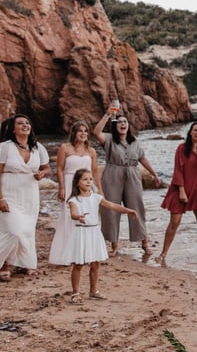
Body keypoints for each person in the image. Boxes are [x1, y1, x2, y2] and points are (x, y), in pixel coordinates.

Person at [0, 114, 51, 281]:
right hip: (8, 193)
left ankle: (24, 263)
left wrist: (42, 173)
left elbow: (47, 168)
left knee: (26, 229)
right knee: (12, 229)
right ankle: (5, 264)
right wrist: (0, 199)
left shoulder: (37, 147)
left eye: (27, 123)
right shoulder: (5, 147)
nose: (25, 125)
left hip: (29, 194)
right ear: (13, 129)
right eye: (20, 123)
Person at [93, 110, 162, 257]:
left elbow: (142, 159)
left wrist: (154, 174)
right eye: (119, 122)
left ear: (128, 125)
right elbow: (96, 132)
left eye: (125, 122)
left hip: (132, 174)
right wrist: (107, 115)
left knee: (137, 207)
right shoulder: (109, 139)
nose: (123, 124)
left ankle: (144, 243)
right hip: (112, 174)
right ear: (115, 126)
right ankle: (114, 246)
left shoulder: (134, 141)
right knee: (111, 209)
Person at [64, 169, 137, 303]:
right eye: (85, 179)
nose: (88, 182)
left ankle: (93, 291)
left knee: (95, 263)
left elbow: (112, 205)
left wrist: (127, 210)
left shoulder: (96, 197)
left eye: (90, 179)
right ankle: (75, 293)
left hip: (94, 232)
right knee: (78, 264)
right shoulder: (74, 200)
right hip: (81, 233)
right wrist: (78, 217)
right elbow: (73, 213)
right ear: (77, 182)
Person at [157, 121, 197, 260]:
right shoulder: (182, 148)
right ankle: (163, 254)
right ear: (190, 132)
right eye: (195, 130)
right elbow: (178, 170)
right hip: (180, 189)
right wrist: (181, 191)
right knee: (174, 223)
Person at [49, 121, 101, 265]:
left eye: (85, 131)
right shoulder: (65, 148)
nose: (83, 133)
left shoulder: (91, 151)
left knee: (86, 216)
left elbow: (95, 171)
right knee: (69, 216)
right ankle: (68, 254)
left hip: (87, 185)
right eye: (80, 131)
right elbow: (59, 169)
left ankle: (85, 253)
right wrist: (61, 187)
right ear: (74, 133)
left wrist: (99, 189)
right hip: (69, 183)